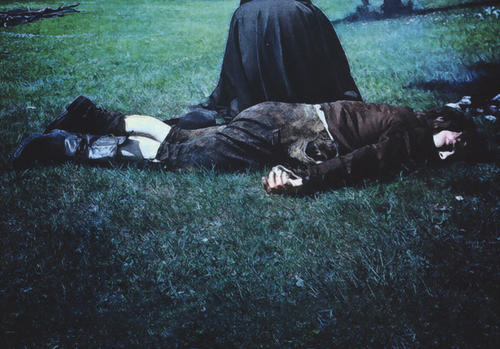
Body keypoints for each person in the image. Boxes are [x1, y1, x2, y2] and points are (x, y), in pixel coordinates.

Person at [12, 96, 476, 195]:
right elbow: (368, 159)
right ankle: (70, 146)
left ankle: (93, 116)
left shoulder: (404, 118)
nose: (454, 149)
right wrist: (309, 180)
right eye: (457, 140)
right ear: (446, 123)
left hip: (279, 119)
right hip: (287, 132)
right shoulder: (413, 132)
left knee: (180, 138)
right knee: (179, 156)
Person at [180, 0, 361, 128]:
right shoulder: (307, 12)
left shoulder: (241, 14)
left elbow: (231, 71)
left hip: (251, 109)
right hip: (305, 108)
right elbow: (333, 65)